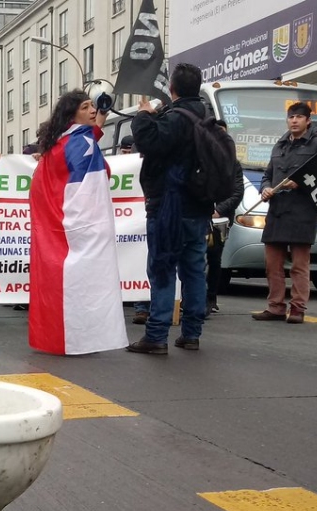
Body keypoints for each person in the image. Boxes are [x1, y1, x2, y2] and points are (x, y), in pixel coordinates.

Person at [28, 90, 128, 355]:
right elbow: (88, 186)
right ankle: (82, 339)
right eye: (86, 107)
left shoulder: (59, 143)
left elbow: (89, 137)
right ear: (73, 114)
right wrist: (95, 226)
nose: (92, 110)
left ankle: (61, 337)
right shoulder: (81, 141)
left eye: (92, 106)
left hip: (57, 223)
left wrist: (100, 117)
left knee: (64, 284)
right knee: (87, 282)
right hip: (81, 225)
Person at [127, 62, 212, 354]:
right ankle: (191, 333)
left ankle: (156, 335)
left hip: (169, 206)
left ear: (172, 89)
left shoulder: (175, 118)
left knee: (163, 267)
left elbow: (147, 140)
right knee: (193, 270)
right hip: (198, 206)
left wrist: (142, 115)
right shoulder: (206, 117)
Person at [254, 102, 317, 324]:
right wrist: (265, 188)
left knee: (299, 265)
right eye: (291, 117)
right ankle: (275, 306)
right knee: (272, 265)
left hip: (303, 212)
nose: (294, 120)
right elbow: (267, 174)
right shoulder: (279, 146)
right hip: (277, 211)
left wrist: (301, 184)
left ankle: (297, 308)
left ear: (308, 120)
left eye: (299, 117)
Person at [208, 121, 245, 315]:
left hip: (219, 219)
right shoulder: (201, 158)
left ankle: (210, 298)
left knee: (214, 257)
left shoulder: (233, 164)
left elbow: (238, 192)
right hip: (199, 214)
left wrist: (219, 210)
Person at [118, 134, 150, 325]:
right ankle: (142, 308)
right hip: (135, 219)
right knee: (140, 259)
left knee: (150, 262)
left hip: (148, 215)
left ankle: (148, 308)